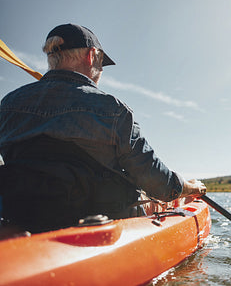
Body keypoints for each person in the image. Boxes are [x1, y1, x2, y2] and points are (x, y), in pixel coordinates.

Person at [0, 23, 206, 233]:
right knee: (154, 200)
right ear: (91, 56)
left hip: (23, 217)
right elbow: (158, 182)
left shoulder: (7, 104)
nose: (100, 71)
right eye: (100, 64)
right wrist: (191, 187)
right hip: (100, 224)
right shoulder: (113, 109)